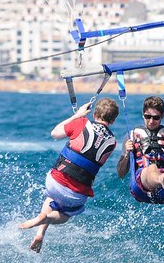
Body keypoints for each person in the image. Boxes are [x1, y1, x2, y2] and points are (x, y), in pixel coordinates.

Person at [19, 98, 119, 252]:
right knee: (65, 215)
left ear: (95, 113)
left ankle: (40, 231)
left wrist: (77, 115)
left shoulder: (81, 122)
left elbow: (55, 133)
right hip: (76, 194)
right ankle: (46, 218)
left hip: (54, 182)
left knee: (52, 197)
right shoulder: (113, 142)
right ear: (113, 120)